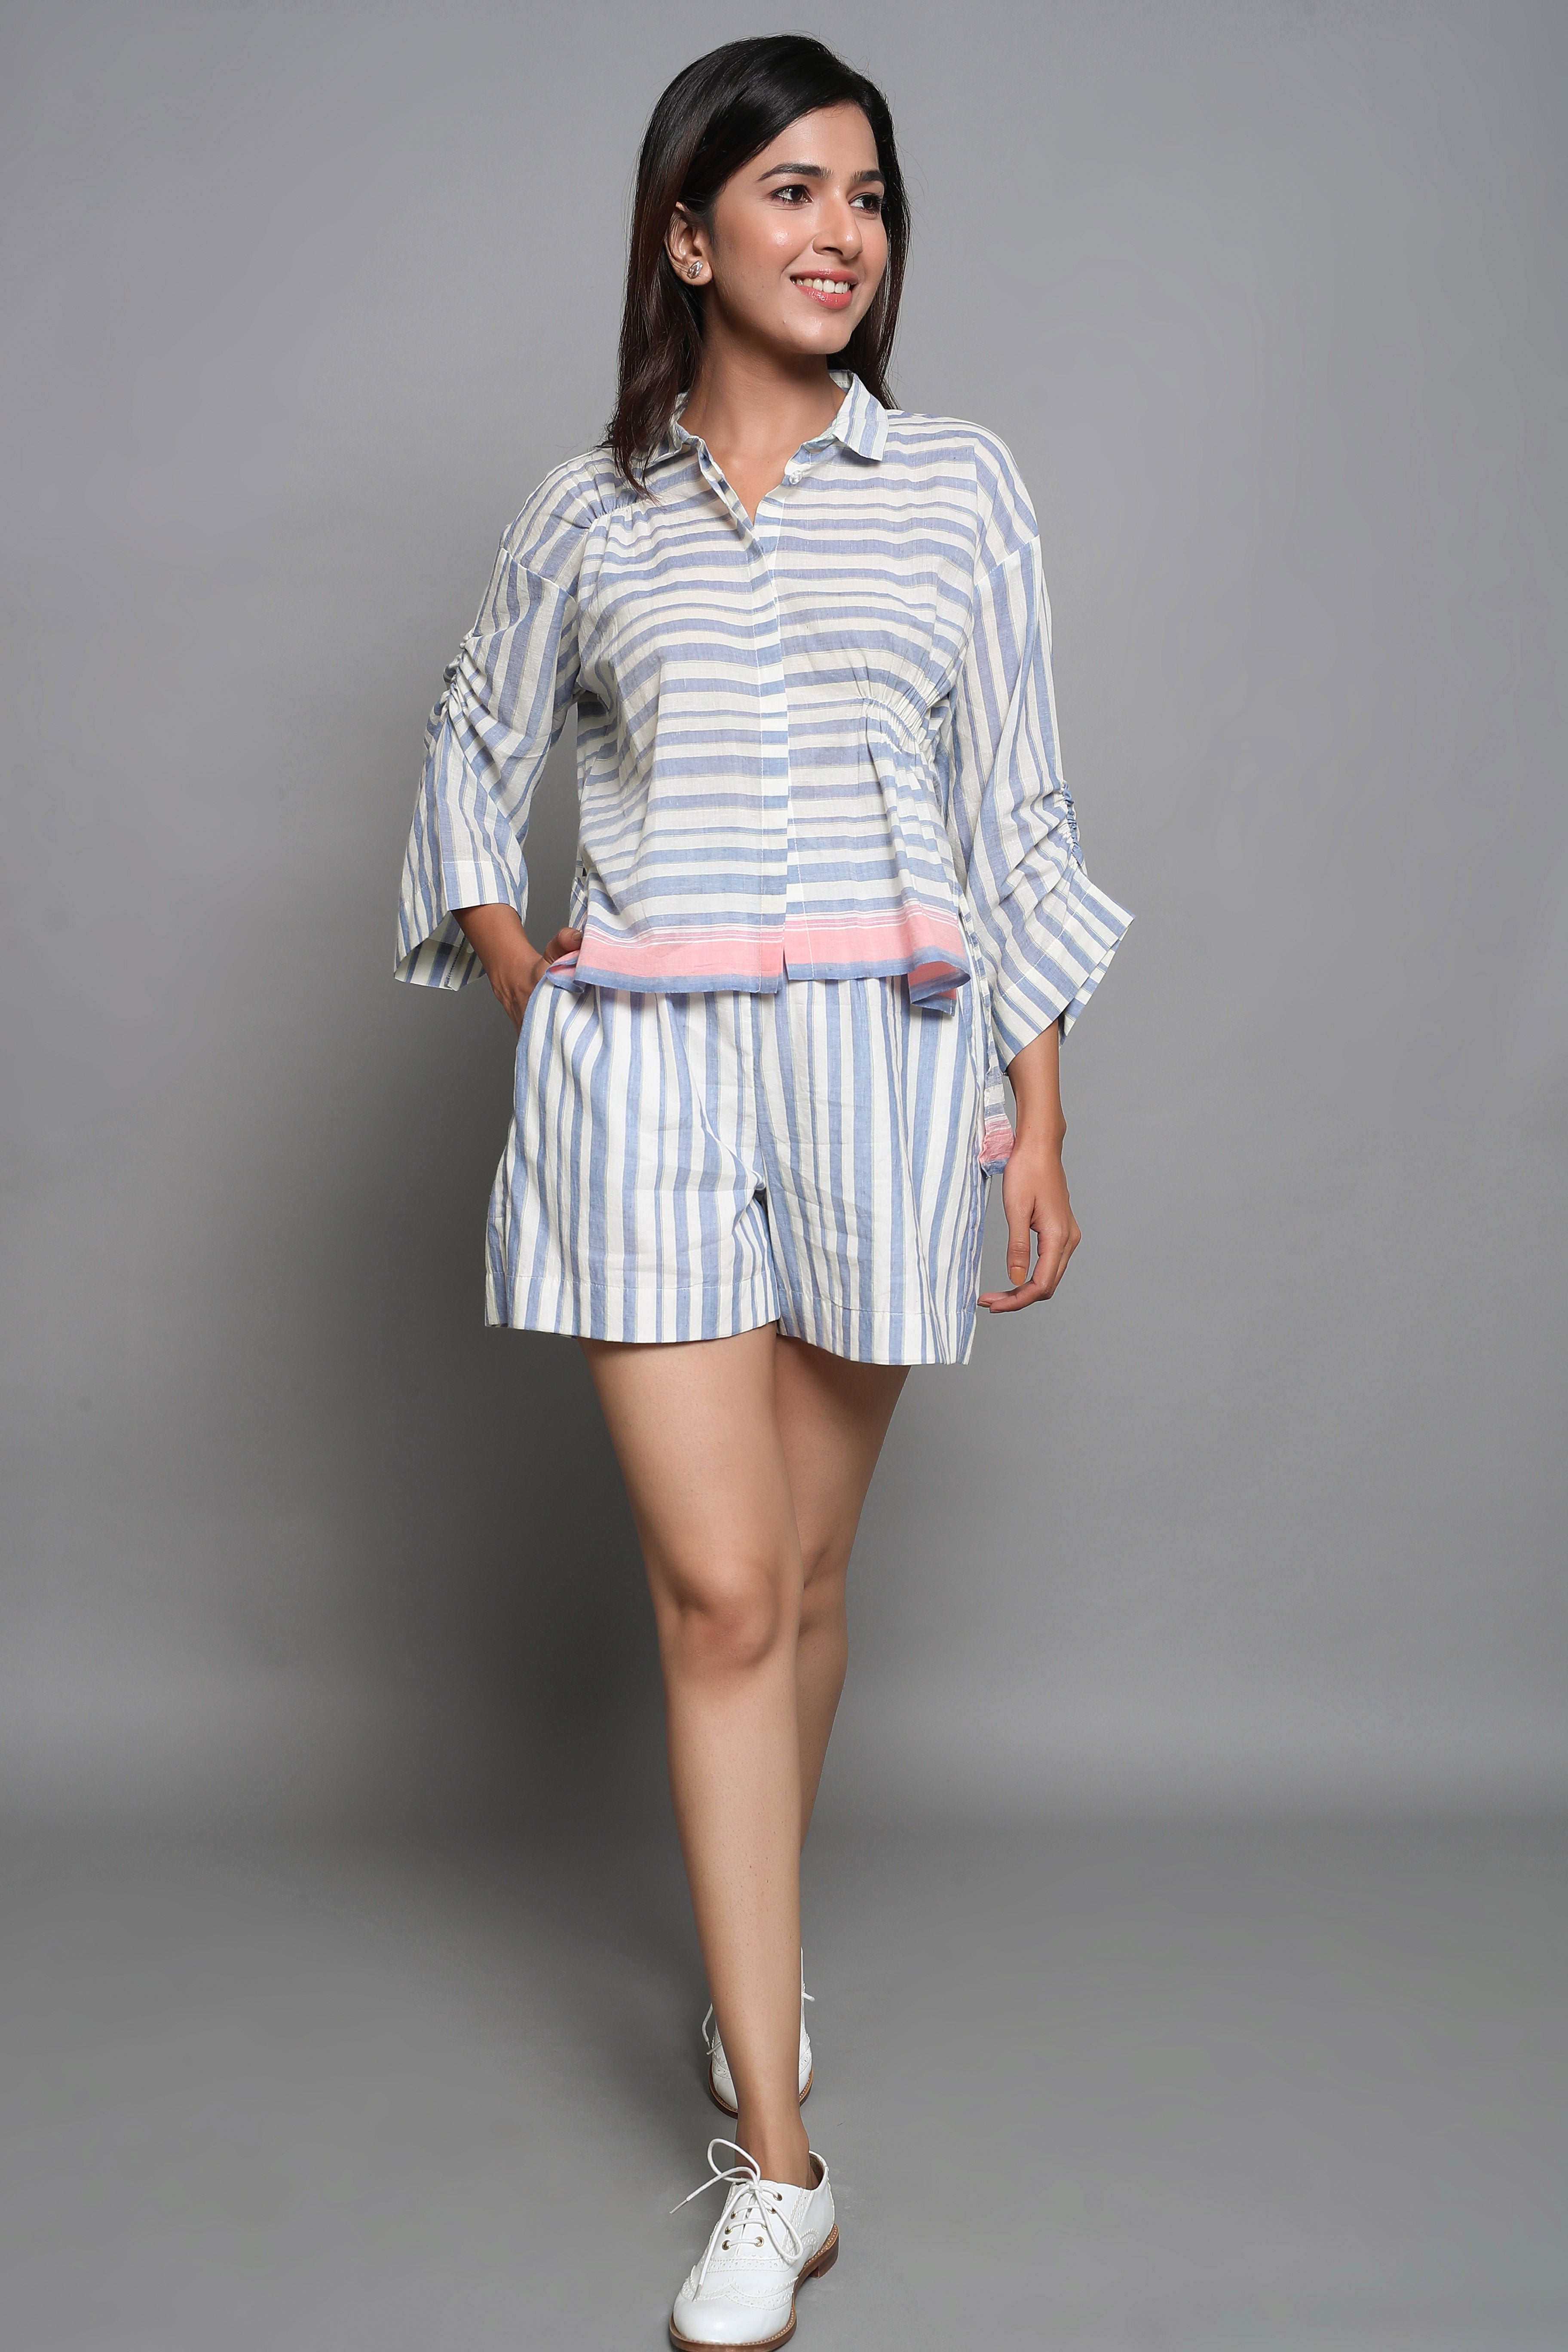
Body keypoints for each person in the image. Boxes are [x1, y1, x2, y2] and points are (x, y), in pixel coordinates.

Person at [394, 33, 1130, 2349]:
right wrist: (543, 985)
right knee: (719, 1596)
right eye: (792, 189)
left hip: (889, 1081)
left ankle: (754, 1971)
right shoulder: (585, 512)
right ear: (689, 234)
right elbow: (471, 752)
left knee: (802, 1585)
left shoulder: (964, 490)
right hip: (647, 1086)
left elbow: (1015, 818)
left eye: (870, 196)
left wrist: (1042, 1115)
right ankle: (780, 2169)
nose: (840, 233)